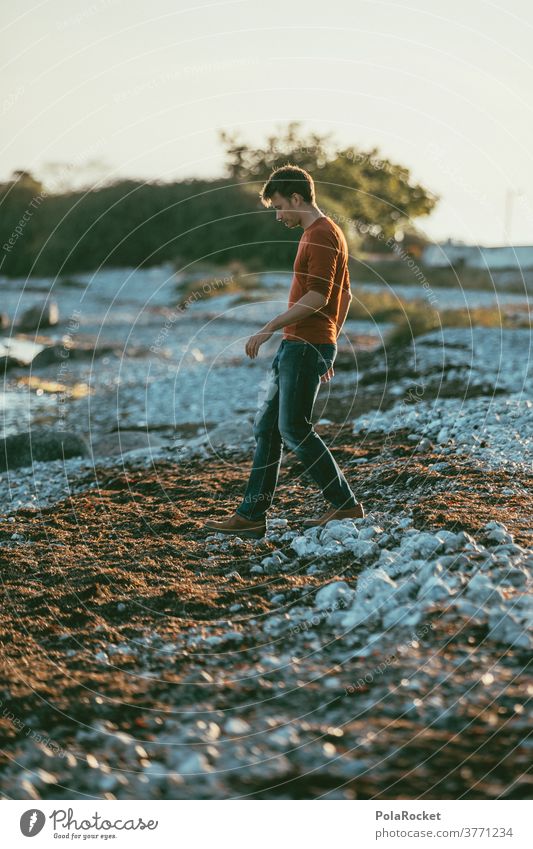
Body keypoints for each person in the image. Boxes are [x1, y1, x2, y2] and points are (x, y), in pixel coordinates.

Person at [204, 164, 364, 540]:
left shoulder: (322, 234)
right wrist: (331, 340)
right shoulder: (319, 233)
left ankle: (344, 503)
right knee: (268, 429)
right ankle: (251, 515)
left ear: (297, 198)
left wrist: (270, 326)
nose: (278, 215)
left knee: (293, 428)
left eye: (279, 206)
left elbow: (319, 296)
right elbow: (345, 295)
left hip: (304, 344)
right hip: (305, 343)